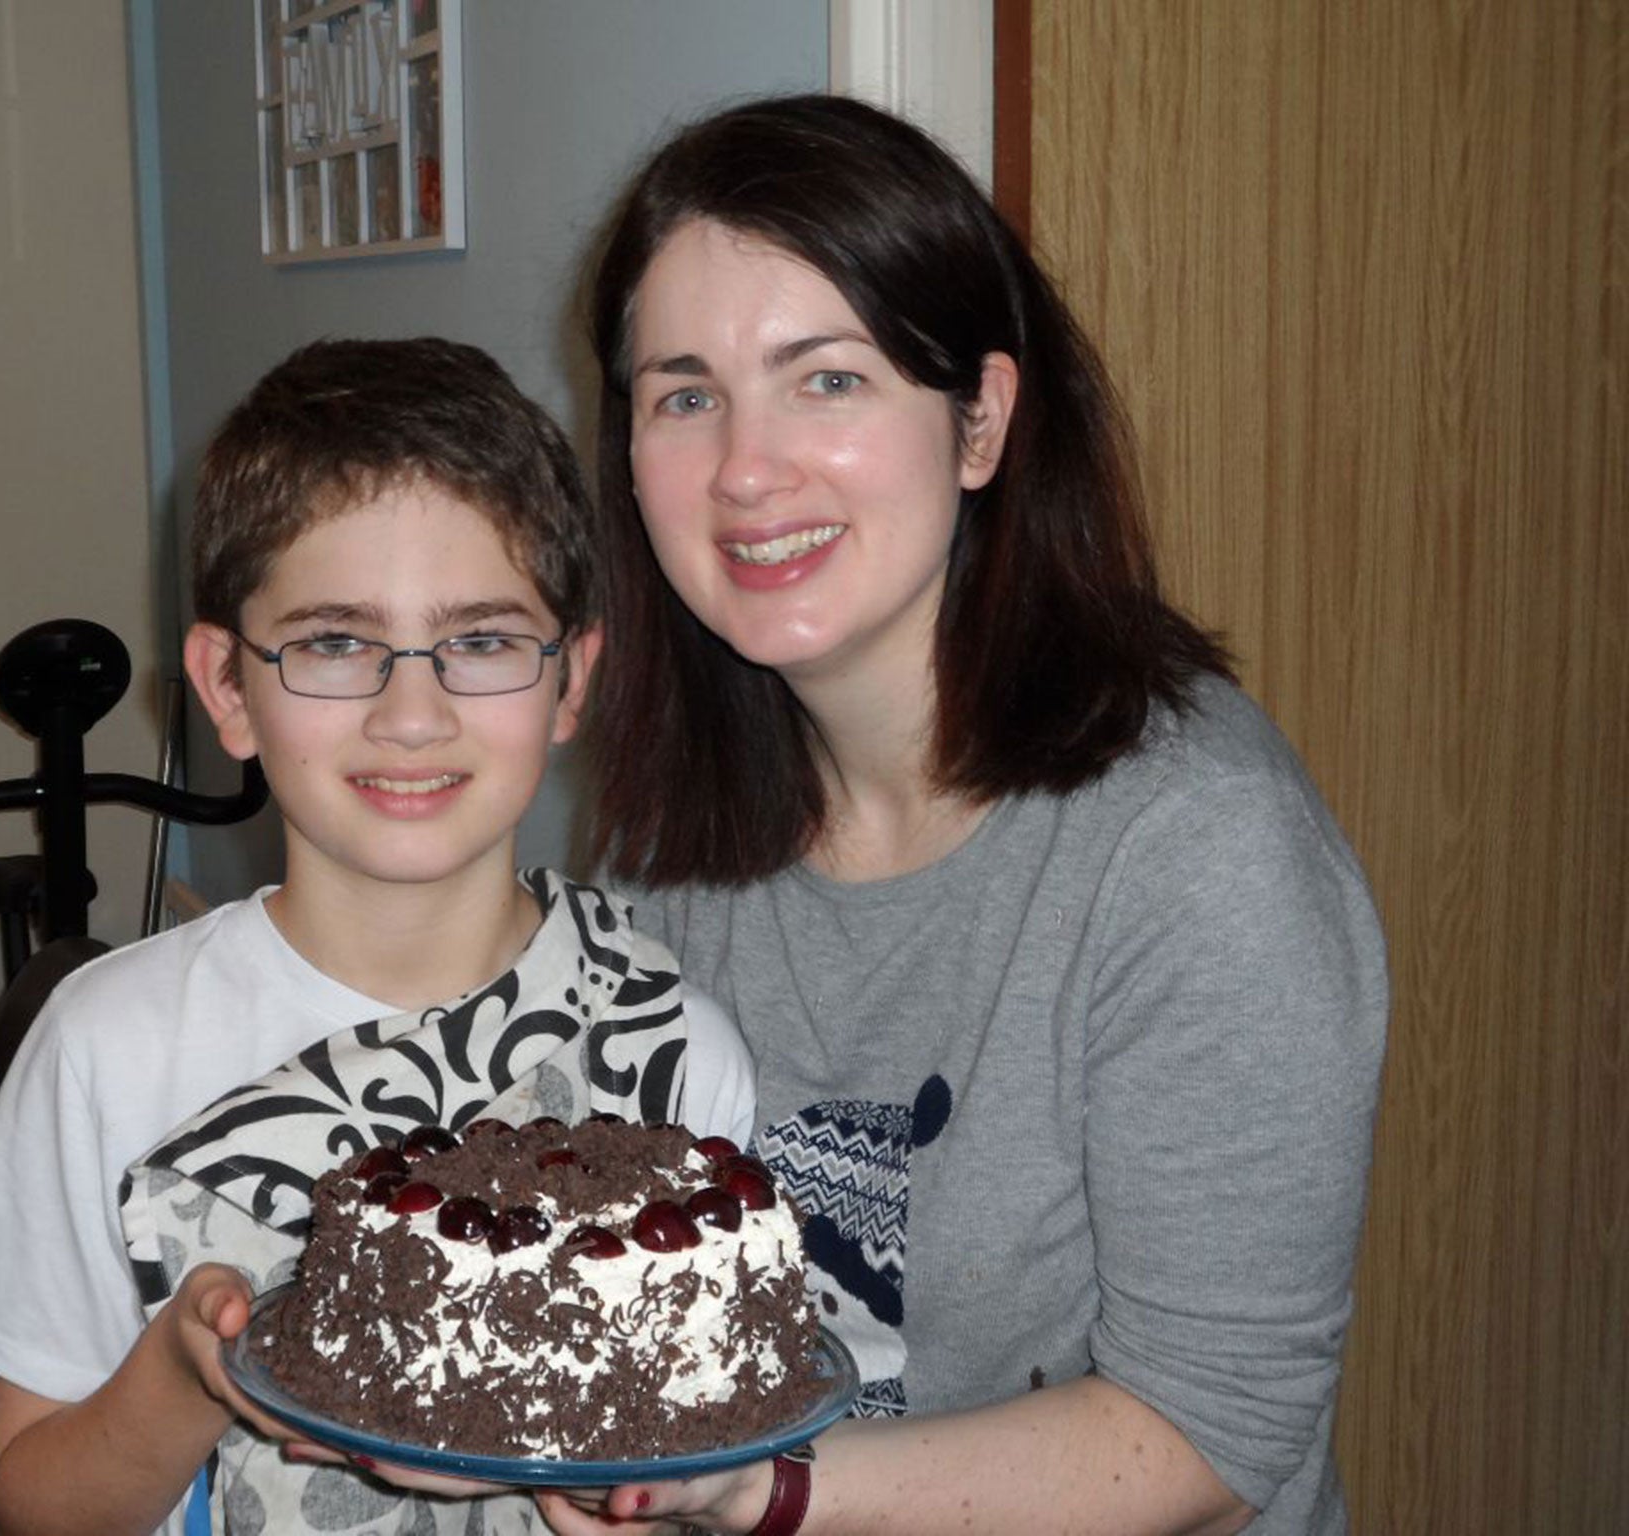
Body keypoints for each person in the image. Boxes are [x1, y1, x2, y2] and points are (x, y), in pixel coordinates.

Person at [545, 94, 1388, 1536]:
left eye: (827, 380)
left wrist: (764, 1494)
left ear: (982, 419)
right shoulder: (666, 830)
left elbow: (1212, 1430)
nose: (747, 471)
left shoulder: (1193, 852)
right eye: (686, 395)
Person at [0, 336, 758, 1536]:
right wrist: (185, 1375)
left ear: (570, 684)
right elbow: (37, 1507)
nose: (412, 713)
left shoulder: (675, 1057)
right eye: (335, 642)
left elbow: (699, 1466)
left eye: (482, 639)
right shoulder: (108, 1045)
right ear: (227, 689)